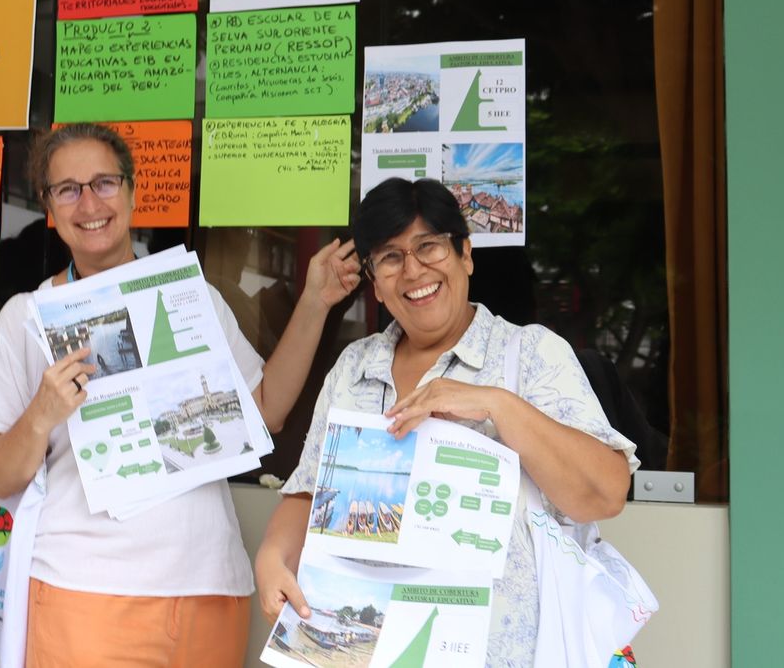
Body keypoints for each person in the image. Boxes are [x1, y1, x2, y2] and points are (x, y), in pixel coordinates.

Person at [0, 122, 361, 667]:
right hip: (83, 590)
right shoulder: (24, 319)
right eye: (69, 189)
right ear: (49, 206)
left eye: (104, 183)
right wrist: (41, 414)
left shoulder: (192, 297)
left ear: (132, 192)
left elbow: (265, 410)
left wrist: (315, 302)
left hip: (208, 585)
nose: (90, 203)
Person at [254, 178, 639, 667]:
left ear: (465, 255)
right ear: (375, 281)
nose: (413, 270)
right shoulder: (355, 367)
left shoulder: (530, 354)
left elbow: (606, 493)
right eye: (390, 257)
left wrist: (496, 404)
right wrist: (272, 555)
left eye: (429, 246)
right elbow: (311, 493)